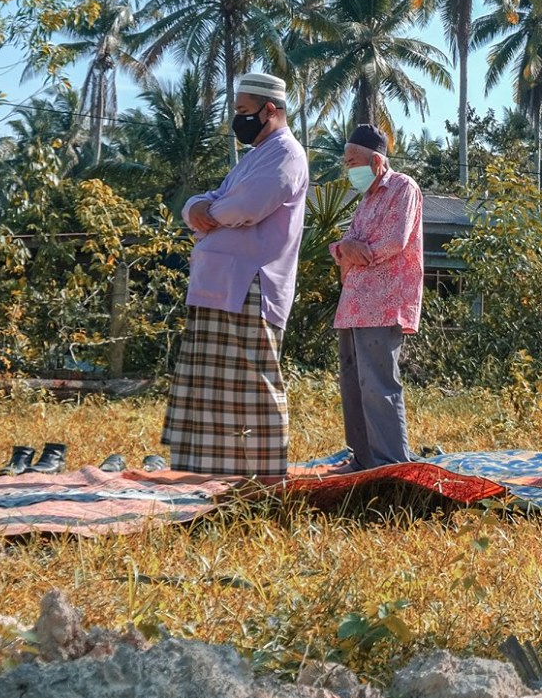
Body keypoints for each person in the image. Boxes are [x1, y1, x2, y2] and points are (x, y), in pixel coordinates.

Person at [164, 72, 309, 482]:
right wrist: (197, 207)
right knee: (210, 390)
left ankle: (264, 481)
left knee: (253, 384)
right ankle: (205, 479)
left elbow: (246, 205)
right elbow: (210, 200)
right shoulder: (254, 156)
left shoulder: (287, 153)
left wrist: (207, 213)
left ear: (270, 110)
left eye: (244, 112)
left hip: (251, 287)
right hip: (219, 285)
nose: (238, 121)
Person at [329, 123, 423, 472]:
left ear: (377, 161)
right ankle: (363, 459)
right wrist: (346, 249)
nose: (349, 169)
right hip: (353, 303)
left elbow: (393, 242)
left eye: (353, 161)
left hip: (383, 302)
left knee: (379, 385)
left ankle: (390, 464)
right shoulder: (366, 200)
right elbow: (342, 247)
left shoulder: (403, 188)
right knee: (353, 385)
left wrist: (351, 249)